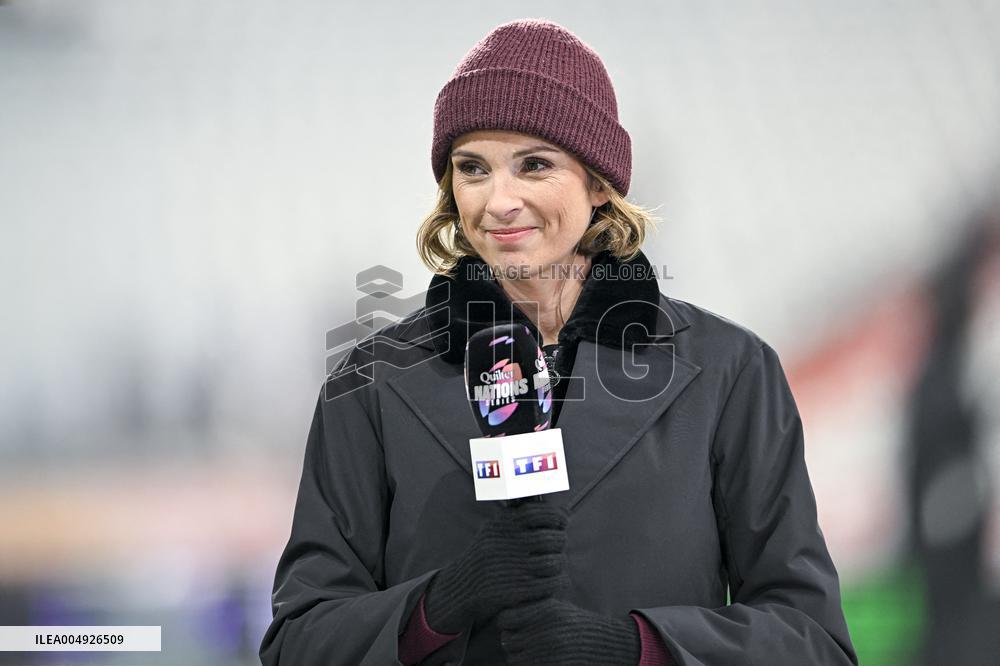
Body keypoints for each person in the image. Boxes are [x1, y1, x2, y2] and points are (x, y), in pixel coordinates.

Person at [260, 18, 858, 665]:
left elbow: (812, 641)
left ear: (599, 183)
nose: (499, 201)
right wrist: (438, 606)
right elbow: (297, 642)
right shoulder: (370, 383)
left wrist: (636, 649)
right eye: (472, 168)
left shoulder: (731, 370)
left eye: (535, 165)